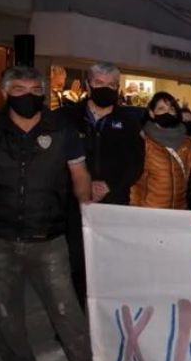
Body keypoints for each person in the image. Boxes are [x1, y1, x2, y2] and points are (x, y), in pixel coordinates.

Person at [0, 66, 94, 361]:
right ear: (5, 92)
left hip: (48, 236)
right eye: (19, 90)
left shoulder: (61, 129)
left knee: (66, 306)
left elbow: (80, 175)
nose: (27, 96)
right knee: (5, 309)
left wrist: (87, 214)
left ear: (43, 93)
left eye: (34, 90)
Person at [60, 62, 145, 306]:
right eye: (99, 83)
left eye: (111, 84)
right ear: (88, 85)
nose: (105, 88)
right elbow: (56, 161)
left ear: (118, 88)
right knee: (76, 265)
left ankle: (107, 317)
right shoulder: (67, 118)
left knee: (111, 264)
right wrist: (81, 186)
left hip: (113, 202)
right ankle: (79, 316)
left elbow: (135, 164)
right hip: (74, 204)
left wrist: (109, 185)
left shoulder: (129, 121)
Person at [130, 92, 191, 210]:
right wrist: (135, 209)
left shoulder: (187, 143)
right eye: (161, 109)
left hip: (180, 210)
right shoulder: (144, 142)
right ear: (152, 113)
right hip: (151, 211)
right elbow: (136, 183)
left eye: (171, 109)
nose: (167, 112)